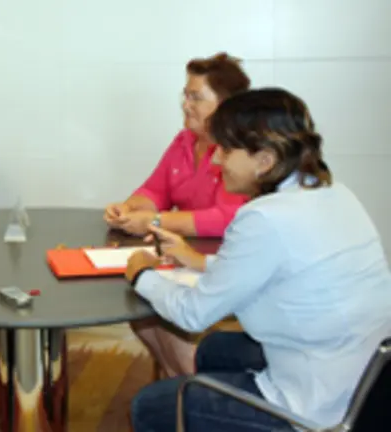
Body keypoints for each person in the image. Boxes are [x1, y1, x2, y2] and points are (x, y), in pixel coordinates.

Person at [126, 88, 391, 431]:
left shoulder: (263, 218)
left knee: (150, 407)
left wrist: (142, 275)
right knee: (213, 351)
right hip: (363, 377)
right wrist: (196, 261)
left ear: (265, 160)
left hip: (318, 407)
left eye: (225, 149)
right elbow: (275, 272)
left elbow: (193, 314)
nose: (217, 160)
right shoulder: (335, 194)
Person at [105, 52, 251, 378]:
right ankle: (179, 387)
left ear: (226, 104)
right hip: (180, 256)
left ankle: (192, 393)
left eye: (195, 97)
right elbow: (155, 189)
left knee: (161, 304)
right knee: (140, 310)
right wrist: (129, 208)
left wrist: (157, 222)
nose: (185, 104)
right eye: (185, 94)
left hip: (218, 262)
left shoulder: (238, 152)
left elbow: (227, 217)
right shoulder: (185, 140)